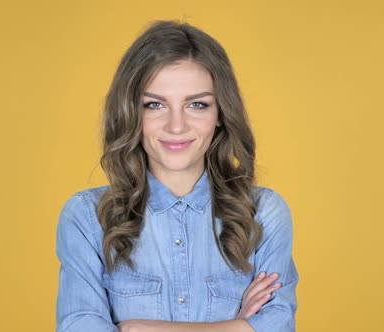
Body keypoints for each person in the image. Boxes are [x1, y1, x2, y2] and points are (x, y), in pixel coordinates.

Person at [55, 19, 299, 332]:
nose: (176, 126)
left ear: (221, 113)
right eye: (155, 105)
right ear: (131, 112)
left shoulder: (264, 213)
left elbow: (277, 325)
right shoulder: (88, 218)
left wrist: (137, 328)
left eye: (197, 104)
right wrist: (238, 326)